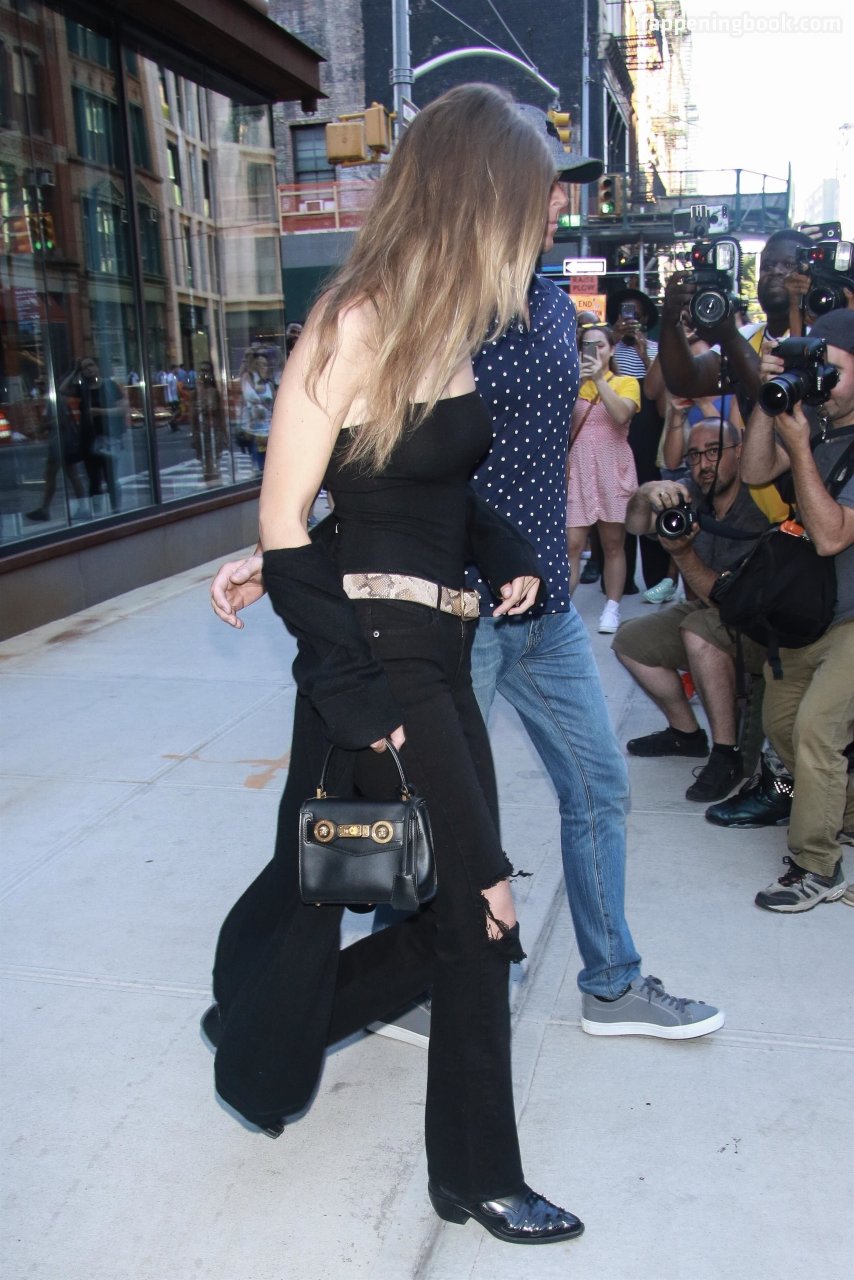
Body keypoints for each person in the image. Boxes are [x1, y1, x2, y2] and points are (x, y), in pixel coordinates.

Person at [213, 106, 725, 1050]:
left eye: (566, 185)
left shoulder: (550, 307)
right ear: (493, 190)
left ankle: (609, 981)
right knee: (421, 825)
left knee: (597, 782)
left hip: (539, 596)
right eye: (547, 184)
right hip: (449, 610)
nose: (561, 202)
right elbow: (380, 469)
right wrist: (294, 550)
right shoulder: (431, 308)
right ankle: (397, 985)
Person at [203, 84, 583, 1246]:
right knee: (484, 903)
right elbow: (285, 525)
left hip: (442, 651)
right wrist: (365, 709)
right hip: (377, 667)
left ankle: (276, 1019)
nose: (545, 225)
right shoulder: (349, 322)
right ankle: (479, 1172)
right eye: (532, 203)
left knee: (462, 915)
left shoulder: (447, 326)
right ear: (478, 195)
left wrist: (503, 551)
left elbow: (417, 492)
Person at [739, 308, 854, 911]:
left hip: (853, 620)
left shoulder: (825, 437)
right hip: (808, 617)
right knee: (782, 728)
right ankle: (843, 814)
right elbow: (755, 470)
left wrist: (801, 447)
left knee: (815, 730)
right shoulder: (818, 424)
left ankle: (817, 866)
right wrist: (770, 399)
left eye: (830, 369)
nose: (819, 381)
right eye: (813, 367)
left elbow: (831, 535)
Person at [612, 420, 770, 802]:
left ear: (739, 451)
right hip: (706, 612)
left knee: (699, 629)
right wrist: (646, 493)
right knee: (630, 641)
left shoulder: (762, 501)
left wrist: (681, 553)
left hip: (759, 626)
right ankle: (686, 734)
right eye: (695, 456)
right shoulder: (690, 492)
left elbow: (728, 602)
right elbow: (634, 525)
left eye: (714, 451)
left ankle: (726, 753)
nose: (704, 464)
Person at [567, 324, 640, 633]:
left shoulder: (626, 382)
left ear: (611, 350)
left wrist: (598, 378)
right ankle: (562, 611)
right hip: (578, 470)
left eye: (600, 345)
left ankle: (612, 607)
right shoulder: (570, 383)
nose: (594, 351)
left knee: (612, 544)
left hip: (612, 469)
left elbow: (622, 415)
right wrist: (578, 380)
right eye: (588, 345)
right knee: (572, 545)